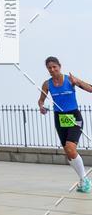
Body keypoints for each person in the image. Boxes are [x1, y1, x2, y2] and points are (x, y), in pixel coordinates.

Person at [39, 56, 92, 193]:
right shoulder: (47, 84)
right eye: (49, 68)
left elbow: (90, 89)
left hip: (74, 116)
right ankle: (82, 180)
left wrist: (77, 82)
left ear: (59, 66)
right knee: (68, 153)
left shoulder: (69, 79)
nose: (52, 69)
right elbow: (41, 100)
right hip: (60, 119)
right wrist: (42, 107)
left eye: (54, 67)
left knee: (70, 147)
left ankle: (85, 180)